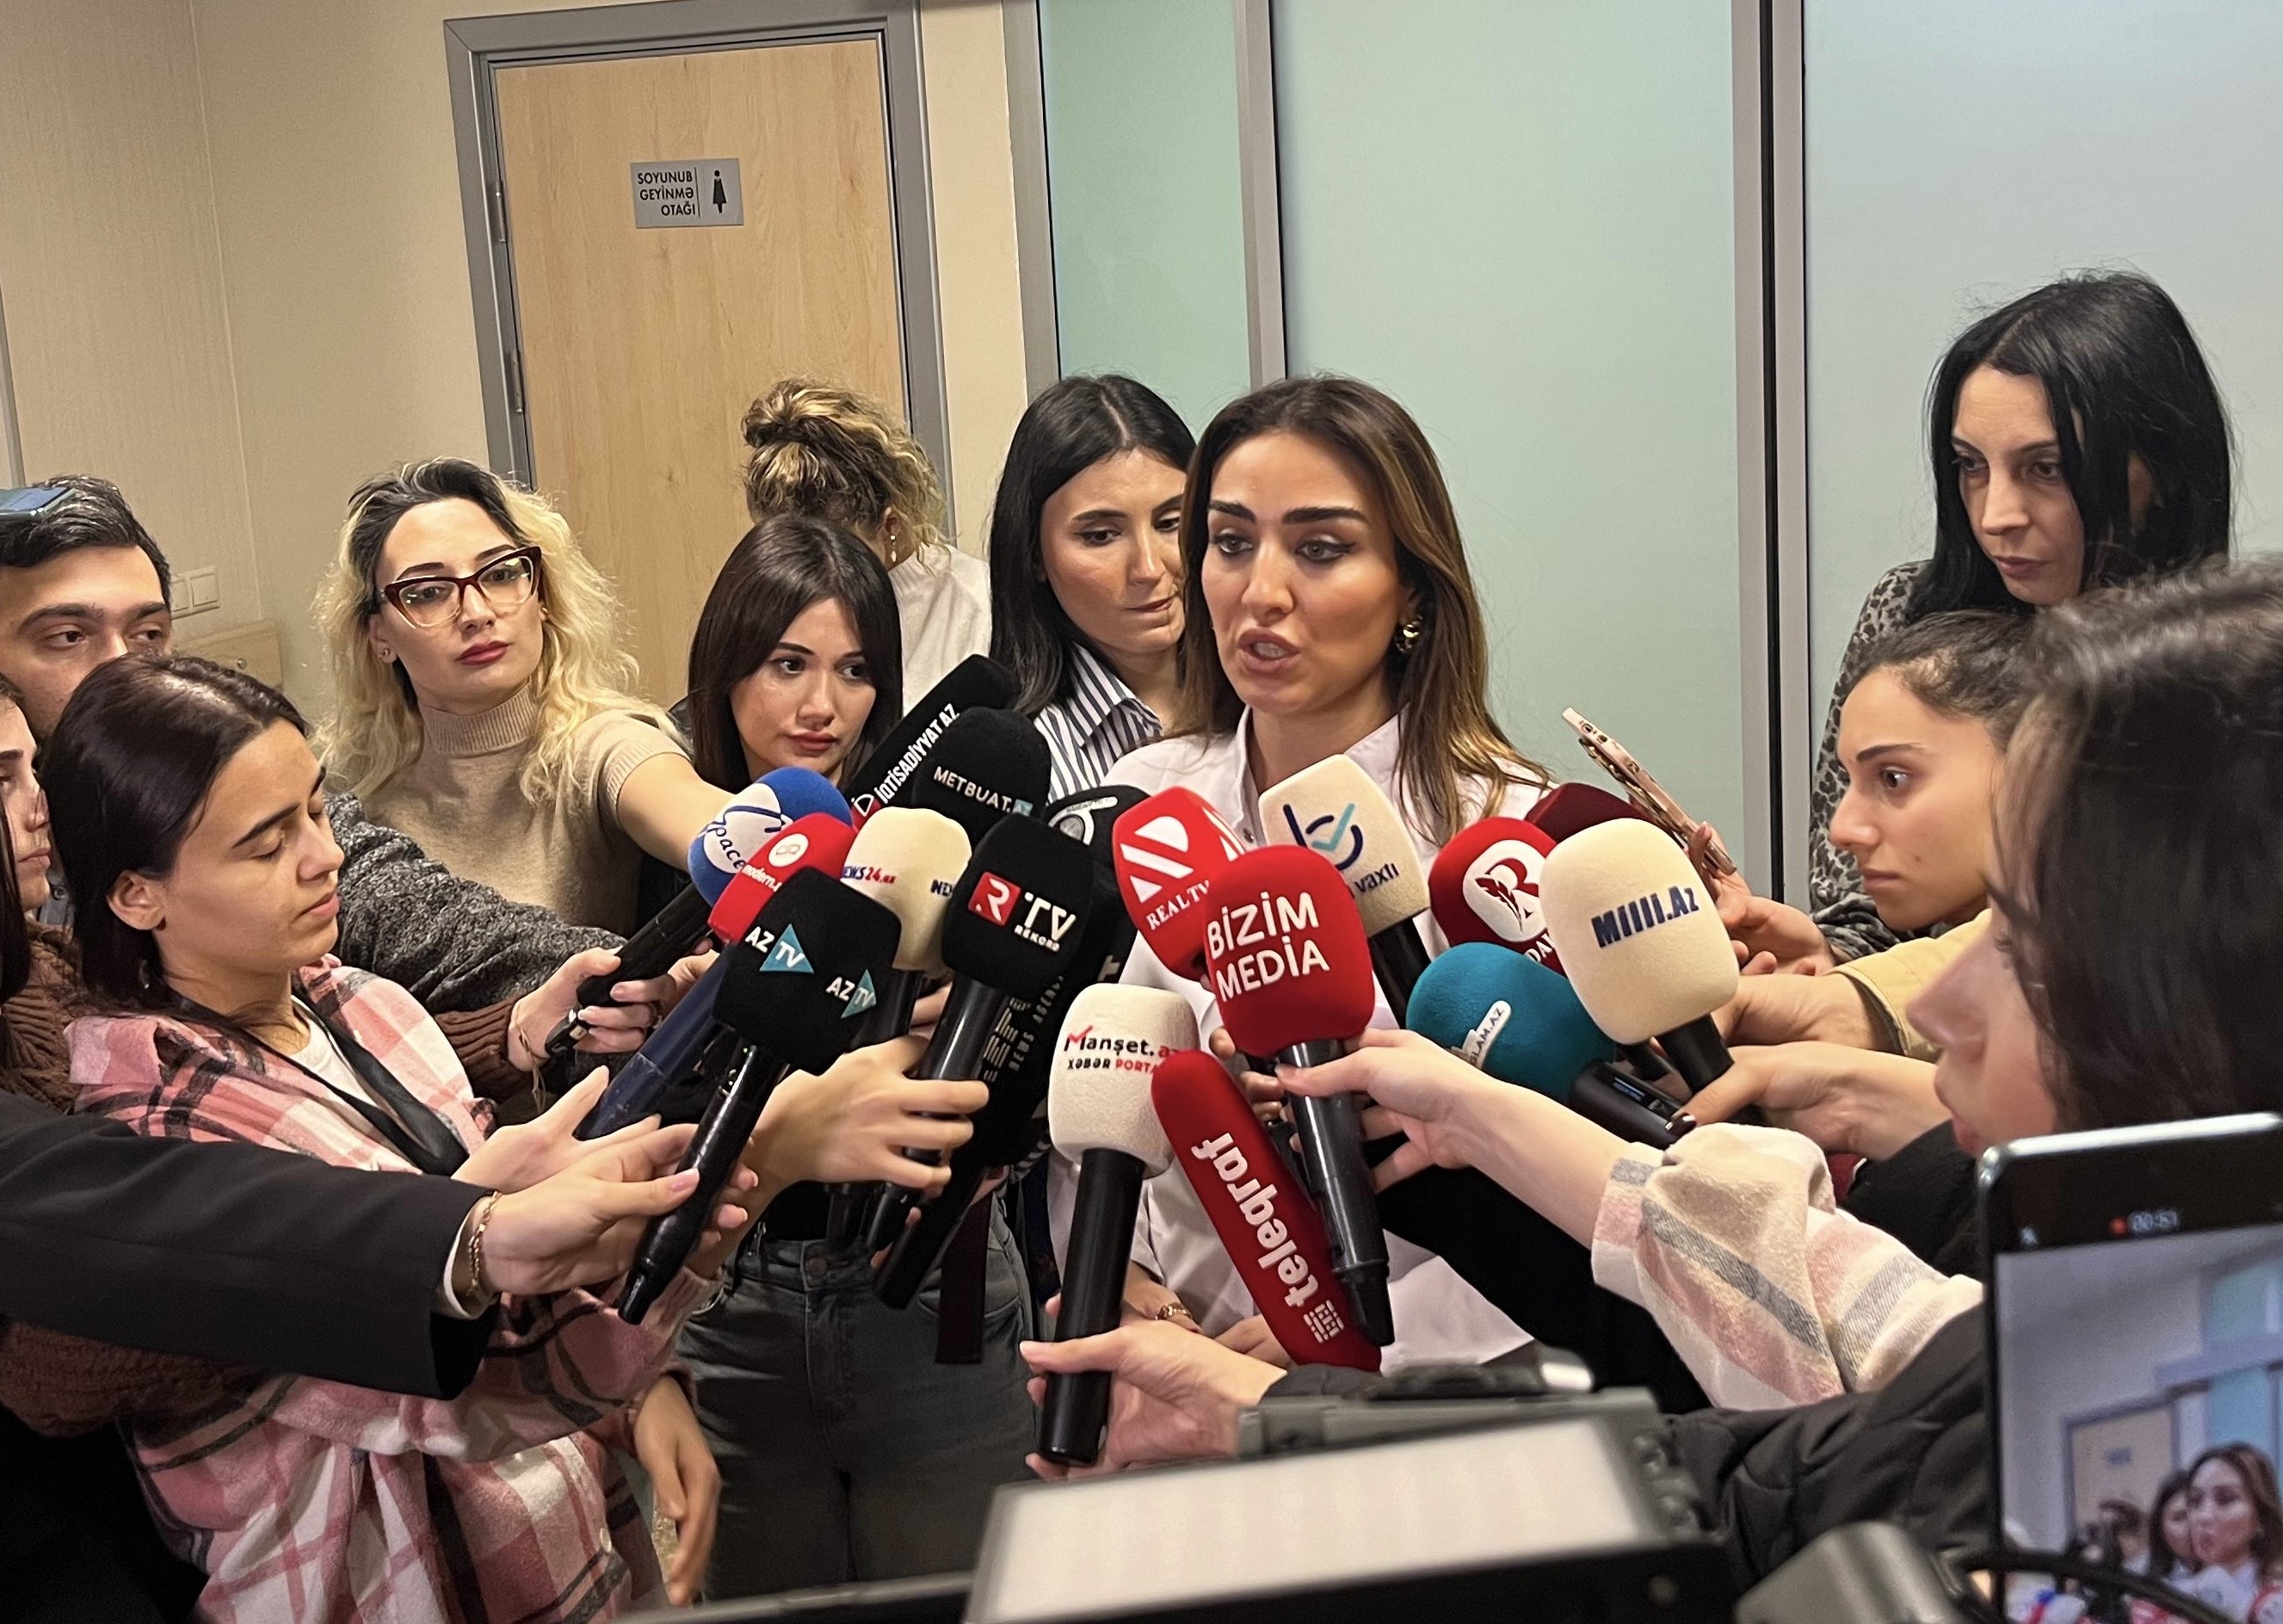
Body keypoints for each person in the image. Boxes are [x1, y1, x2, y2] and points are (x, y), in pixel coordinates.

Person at [1018, 558, 2283, 1584]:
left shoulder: (2189, 1448)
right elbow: (1751, 1460)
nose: (1940, 997)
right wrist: (1267, 1413)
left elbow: (1768, 1468)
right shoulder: (2117, 1318)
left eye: (2023, 940)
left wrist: (1273, 1422)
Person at [46, 653, 986, 1621]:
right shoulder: (157, 1135)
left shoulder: (364, 1003)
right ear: (136, 894)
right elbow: (473, 1382)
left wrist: (638, 1391)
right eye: (265, 843)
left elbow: (535, 1266)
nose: (324, 856)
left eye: (318, 811)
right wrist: (772, 1150)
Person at [1101, 374, 1547, 1370]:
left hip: (1450, 1382)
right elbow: (1096, 1096)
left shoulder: (1501, 833)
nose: (1261, 592)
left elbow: (1579, 1170)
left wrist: (1359, 1338)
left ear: (1412, 591)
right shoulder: (1143, 805)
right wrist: (1116, 1277)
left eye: (1320, 549)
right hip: (1182, 1366)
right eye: (1230, 543)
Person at [0, 473, 645, 1020]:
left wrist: (630, 978)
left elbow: (414, 913)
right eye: (68, 637)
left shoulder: (225, 788)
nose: (123, 671)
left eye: (148, 634)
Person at [1809, 271, 2231, 960]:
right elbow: (1855, 899)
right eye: (1970, 465)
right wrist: (1821, 956)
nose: (1995, 515)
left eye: (2046, 469)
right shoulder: (1907, 613)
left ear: (2157, 471)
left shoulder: (2232, 675)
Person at [317, 458, 731, 935]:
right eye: (428, 593)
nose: (476, 612)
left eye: (500, 574)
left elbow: (721, 833)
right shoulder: (347, 785)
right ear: (379, 635)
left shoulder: (603, 748)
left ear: (543, 595)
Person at [986, 374, 1193, 800]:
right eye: (1100, 536)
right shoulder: (1020, 765)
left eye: (1171, 523)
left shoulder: (1270, 699)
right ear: (1034, 555)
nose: (1149, 568)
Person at [741, 377, 989, 701]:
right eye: (782, 552)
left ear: (890, 527)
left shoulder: (980, 608)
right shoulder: (765, 605)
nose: (802, 577)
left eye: (829, 555)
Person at [684, 513, 903, 791]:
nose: (822, 708)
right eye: (790, 665)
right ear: (725, 661)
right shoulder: (661, 778)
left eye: (854, 671)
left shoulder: (919, 812)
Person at [2180, 1445, 2283, 1623]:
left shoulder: (2275, 1602)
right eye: (2195, 1501)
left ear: (2261, 1517)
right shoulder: (2171, 1597)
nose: (2203, 1516)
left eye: (2225, 1499)